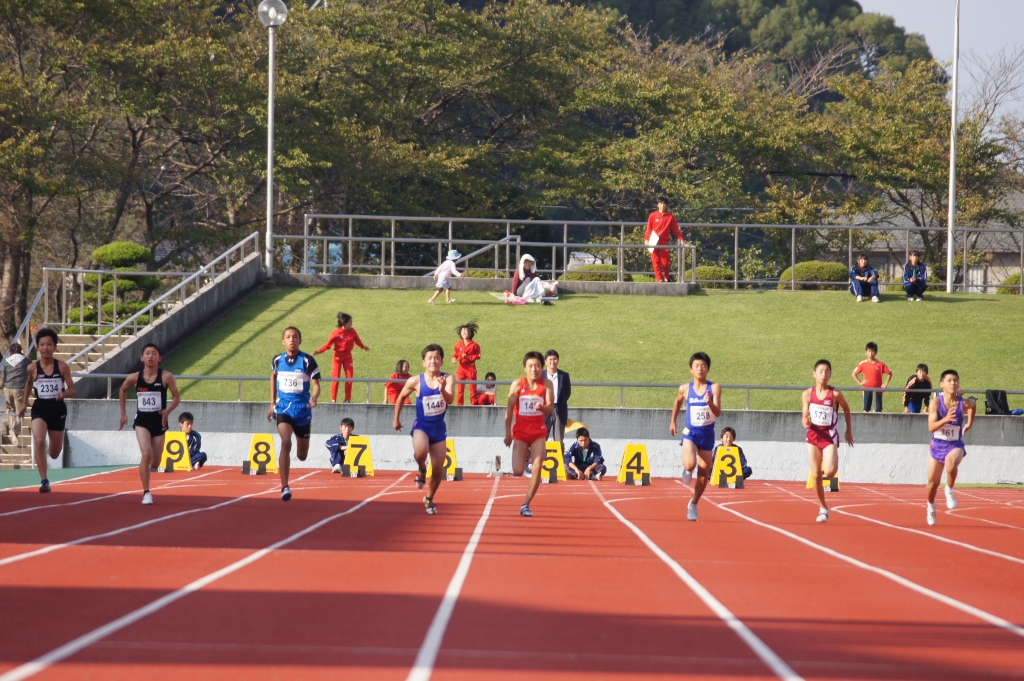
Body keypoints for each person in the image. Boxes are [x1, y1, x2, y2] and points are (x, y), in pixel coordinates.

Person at [394, 344, 455, 515]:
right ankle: (421, 467)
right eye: (430, 358)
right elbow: (401, 398)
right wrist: (396, 419)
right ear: (424, 362)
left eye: (437, 358)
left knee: (438, 469)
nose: (433, 361)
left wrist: (442, 389)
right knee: (421, 452)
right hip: (422, 425)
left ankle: (429, 498)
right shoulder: (415, 381)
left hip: (439, 428)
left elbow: (450, 400)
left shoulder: (449, 378)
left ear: (442, 361)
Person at [118, 343, 181, 505]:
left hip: (159, 422)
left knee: (155, 462)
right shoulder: (134, 377)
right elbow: (123, 390)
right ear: (142, 358)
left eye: (154, 353)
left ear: (160, 358)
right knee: (146, 454)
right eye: (147, 353)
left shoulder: (166, 377)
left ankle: (150, 471)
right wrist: (123, 413)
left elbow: (177, 397)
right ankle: (146, 492)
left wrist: (167, 411)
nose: (150, 356)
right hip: (142, 421)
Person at [19, 329, 76, 494]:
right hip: (40, 408)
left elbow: (73, 389)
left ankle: (53, 446)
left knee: (54, 453)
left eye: (49, 345)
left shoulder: (62, 367)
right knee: (39, 441)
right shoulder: (32, 368)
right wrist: (24, 404)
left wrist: (63, 394)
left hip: (57, 410)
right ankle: (44, 480)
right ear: (37, 347)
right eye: (42, 345)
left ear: (55, 347)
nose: (45, 348)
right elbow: (29, 384)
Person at [268, 326, 321, 501]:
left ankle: (301, 447)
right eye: (288, 337)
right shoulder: (277, 360)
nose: (292, 339)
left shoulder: (308, 361)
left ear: (300, 340)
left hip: (302, 410)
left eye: (295, 336)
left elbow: (316, 385)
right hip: (283, 408)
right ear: (283, 341)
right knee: (285, 441)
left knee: (302, 456)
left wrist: (314, 398)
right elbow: (273, 377)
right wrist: (272, 403)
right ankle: (285, 486)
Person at [669, 352, 722, 522]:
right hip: (690, 433)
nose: (700, 369)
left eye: (704, 366)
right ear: (691, 369)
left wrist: (710, 403)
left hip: (707, 435)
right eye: (697, 366)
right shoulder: (685, 388)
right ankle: (687, 469)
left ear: (708, 369)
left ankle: (693, 503)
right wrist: (673, 421)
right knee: (691, 464)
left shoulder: (714, 388)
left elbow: (718, 413)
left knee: (703, 475)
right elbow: (678, 402)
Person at [802, 359, 855, 523]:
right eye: (820, 371)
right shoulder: (807, 394)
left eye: (827, 371)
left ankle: (822, 475)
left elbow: (847, 409)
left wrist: (848, 431)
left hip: (829, 435)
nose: (823, 374)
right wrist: (806, 422)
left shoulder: (835, 394)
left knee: (830, 472)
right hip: (813, 436)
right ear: (814, 374)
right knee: (816, 474)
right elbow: (804, 416)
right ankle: (823, 507)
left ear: (830, 375)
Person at [505, 351, 555, 517]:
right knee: (518, 470)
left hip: (538, 432)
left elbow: (551, 408)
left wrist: (542, 408)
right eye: (531, 366)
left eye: (538, 366)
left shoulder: (547, 384)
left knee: (537, 467)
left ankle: (526, 503)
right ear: (525, 368)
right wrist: (508, 434)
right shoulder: (517, 385)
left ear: (542, 368)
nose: (534, 369)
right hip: (520, 432)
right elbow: (509, 410)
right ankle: (526, 454)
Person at [926, 370, 976, 526]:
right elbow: (931, 427)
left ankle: (949, 489)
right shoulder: (935, 403)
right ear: (942, 384)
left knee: (951, 464)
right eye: (949, 380)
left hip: (955, 444)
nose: (953, 383)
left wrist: (969, 423)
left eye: (956, 380)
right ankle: (931, 507)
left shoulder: (963, 403)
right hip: (938, 444)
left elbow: (973, 404)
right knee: (932, 484)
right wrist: (946, 419)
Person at [313, 312, 368, 403]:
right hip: (338, 357)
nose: (352, 324)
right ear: (344, 323)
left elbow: (357, 340)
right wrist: (318, 351)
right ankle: (333, 399)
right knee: (336, 378)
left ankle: (347, 399)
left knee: (350, 378)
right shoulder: (336, 333)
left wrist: (363, 346)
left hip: (348, 356)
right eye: (350, 322)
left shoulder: (352, 331)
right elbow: (328, 345)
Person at [645, 197, 684, 282]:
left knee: (665, 261)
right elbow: (649, 229)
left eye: (664, 203)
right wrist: (647, 240)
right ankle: (660, 279)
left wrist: (681, 239)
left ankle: (667, 277)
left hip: (664, 241)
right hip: (653, 240)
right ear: (658, 205)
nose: (662, 205)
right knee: (656, 261)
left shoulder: (670, 216)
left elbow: (676, 229)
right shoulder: (653, 215)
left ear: (666, 205)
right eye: (661, 203)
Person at [853, 341, 892, 412]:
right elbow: (854, 374)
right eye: (869, 351)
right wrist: (860, 383)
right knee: (866, 409)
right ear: (866, 352)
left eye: (872, 351)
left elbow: (890, 373)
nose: (871, 353)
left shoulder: (881, 364)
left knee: (878, 410)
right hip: (867, 389)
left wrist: (886, 383)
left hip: (878, 390)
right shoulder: (863, 363)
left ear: (876, 352)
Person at [544, 349, 571, 450]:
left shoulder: (564, 376)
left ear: (558, 361)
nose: (553, 362)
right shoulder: (540, 376)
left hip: (559, 409)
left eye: (555, 359)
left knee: (559, 439)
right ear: (546, 361)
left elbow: (567, 393)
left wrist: (560, 402)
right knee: (541, 438)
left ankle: (559, 459)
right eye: (550, 359)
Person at [1, 343, 28, 439]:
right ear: (20, 350)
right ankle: (15, 431)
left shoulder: (7, 361)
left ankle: (11, 429)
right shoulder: (26, 361)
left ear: (10, 351)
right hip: (19, 388)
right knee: (20, 410)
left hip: (7, 388)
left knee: (11, 409)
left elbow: (3, 375)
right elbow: (32, 370)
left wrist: (2, 384)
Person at [453, 322, 482, 406]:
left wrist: (468, 357)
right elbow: (456, 354)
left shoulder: (475, 345)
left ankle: (474, 405)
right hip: (461, 368)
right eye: (462, 331)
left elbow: (478, 356)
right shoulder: (458, 344)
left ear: (470, 333)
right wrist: (454, 358)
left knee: (473, 388)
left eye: (466, 331)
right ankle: (460, 405)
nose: (464, 333)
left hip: (471, 368)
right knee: (460, 388)